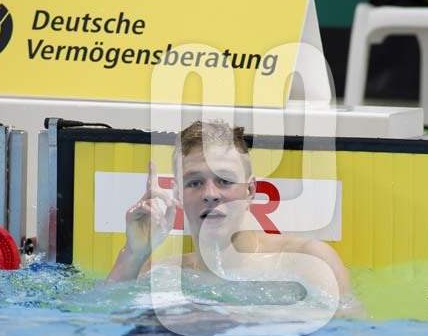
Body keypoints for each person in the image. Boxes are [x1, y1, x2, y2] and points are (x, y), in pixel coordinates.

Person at [107, 120, 355, 307]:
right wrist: (133, 254)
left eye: (224, 181)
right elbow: (105, 319)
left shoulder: (308, 261)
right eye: (195, 183)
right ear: (178, 194)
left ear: (251, 190)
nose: (210, 194)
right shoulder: (160, 273)